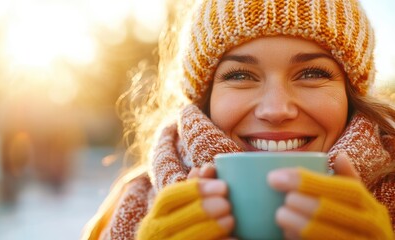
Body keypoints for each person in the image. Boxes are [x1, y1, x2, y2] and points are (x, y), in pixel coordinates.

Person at [82, 0, 395, 239]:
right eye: (241, 74)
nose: (275, 109)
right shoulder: (126, 206)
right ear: (205, 99)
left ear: (351, 95)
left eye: (312, 73)